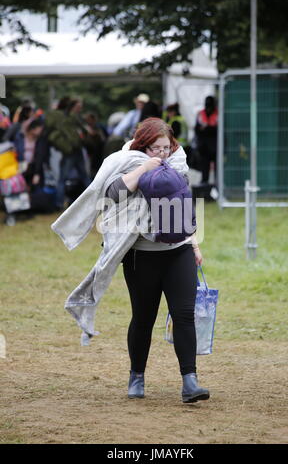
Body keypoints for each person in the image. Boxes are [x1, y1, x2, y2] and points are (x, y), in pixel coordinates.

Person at [51, 117, 210, 404]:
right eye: (156, 148)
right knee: (143, 318)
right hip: (141, 256)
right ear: (142, 146)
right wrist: (144, 169)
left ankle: (190, 381)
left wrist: (194, 243)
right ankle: (136, 375)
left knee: (184, 315)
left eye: (167, 147)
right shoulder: (125, 162)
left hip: (179, 251)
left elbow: (185, 208)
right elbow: (113, 194)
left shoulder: (178, 167)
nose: (163, 154)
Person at [194, 96, 218, 184]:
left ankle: (217, 184)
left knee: (217, 169)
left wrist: (206, 129)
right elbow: (197, 129)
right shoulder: (201, 114)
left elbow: (218, 130)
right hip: (204, 146)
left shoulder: (218, 114)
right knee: (204, 168)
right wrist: (210, 129)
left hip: (215, 146)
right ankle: (204, 185)